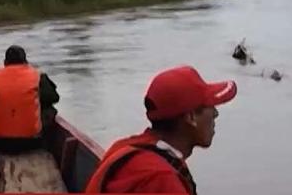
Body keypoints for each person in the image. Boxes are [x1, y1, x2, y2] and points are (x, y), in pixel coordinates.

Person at [86, 65, 237, 194]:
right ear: (191, 118)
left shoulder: (124, 147)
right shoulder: (161, 179)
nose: (216, 113)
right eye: (210, 106)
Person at [0, 45, 59, 153]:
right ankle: (48, 146)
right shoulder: (38, 76)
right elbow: (54, 98)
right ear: (26, 62)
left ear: (5, 62)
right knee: (49, 109)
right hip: (33, 142)